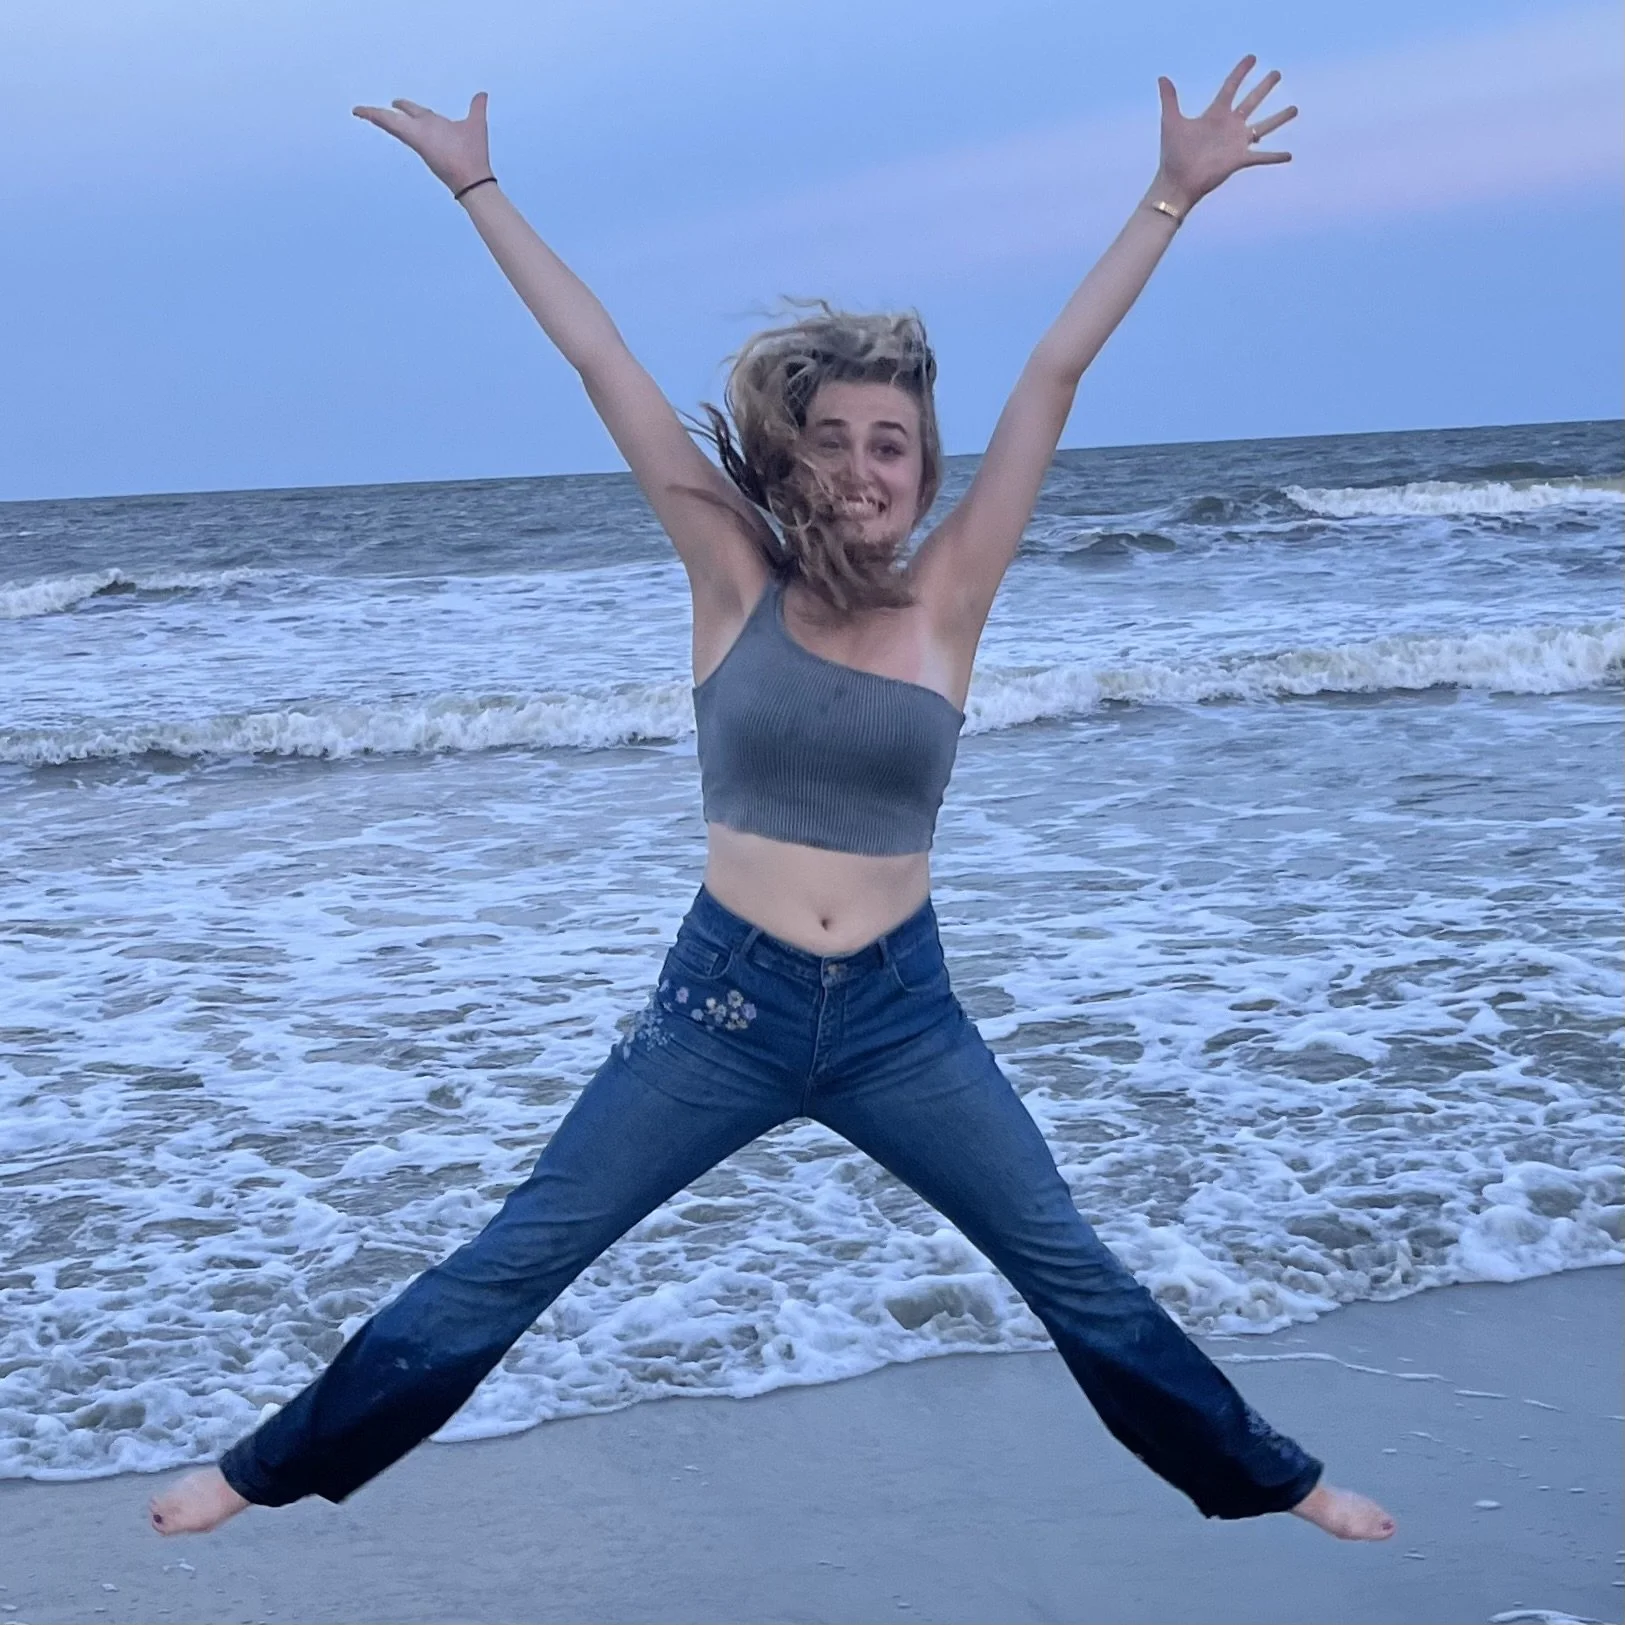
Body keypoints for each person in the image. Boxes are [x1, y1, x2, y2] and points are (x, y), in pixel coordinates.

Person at [149, 56, 1394, 1543]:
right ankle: (264, 1469)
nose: (866, 465)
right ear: (794, 455)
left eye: (894, 442)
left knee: (1065, 1261)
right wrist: (479, 186)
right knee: (522, 1254)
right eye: (838, 438)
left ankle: (1277, 1478)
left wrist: (1170, 194)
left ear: (925, 467)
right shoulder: (731, 578)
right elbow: (603, 362)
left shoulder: (952, 597)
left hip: (899, 1017)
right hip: (717, 1015)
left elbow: (1055, 372)